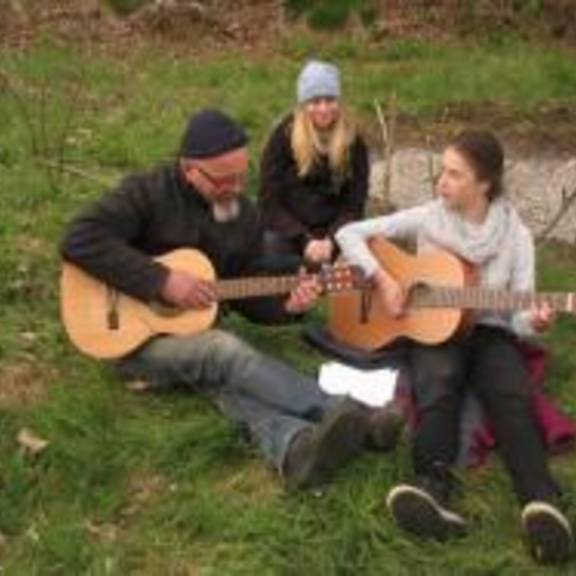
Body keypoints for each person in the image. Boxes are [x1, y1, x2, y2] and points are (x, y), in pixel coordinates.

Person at [60, 109, 403, 491]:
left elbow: (246, 291)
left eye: (241, 176)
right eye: (224, 180)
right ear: (190, 170)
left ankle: (295, 449)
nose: (236, 188)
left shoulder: (244, 216)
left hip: (191, 330)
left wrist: (287, 306)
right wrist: (161, 281)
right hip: (127, 342)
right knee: (222, 352)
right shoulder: (148, 192)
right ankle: (346, 412)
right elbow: (79, 238)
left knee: (223, 377)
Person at [336, 130, 574, 563]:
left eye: (453, 174)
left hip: (489, 331)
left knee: (511, 394)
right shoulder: (430, 217)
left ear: (484, 184)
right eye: (442, 171)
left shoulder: (515, 237)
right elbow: (349, 234)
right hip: (433, 330)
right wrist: (384, 279)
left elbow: (519, 311)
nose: (440, 182)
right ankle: (432, 490)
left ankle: (542, 505)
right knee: (437, 383)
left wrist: (534, 319)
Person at [258, 59, 369, 269]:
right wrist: (304, 240)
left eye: (330, 100)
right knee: (268, 248)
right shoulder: (283, 137)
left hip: (335, 232)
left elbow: (355, 203)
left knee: (372, 249)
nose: (324, 109)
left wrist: (332, 241)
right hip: (291, 231)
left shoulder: (354, 141)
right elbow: (268, 202)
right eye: (315, 101)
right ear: (303, 105)